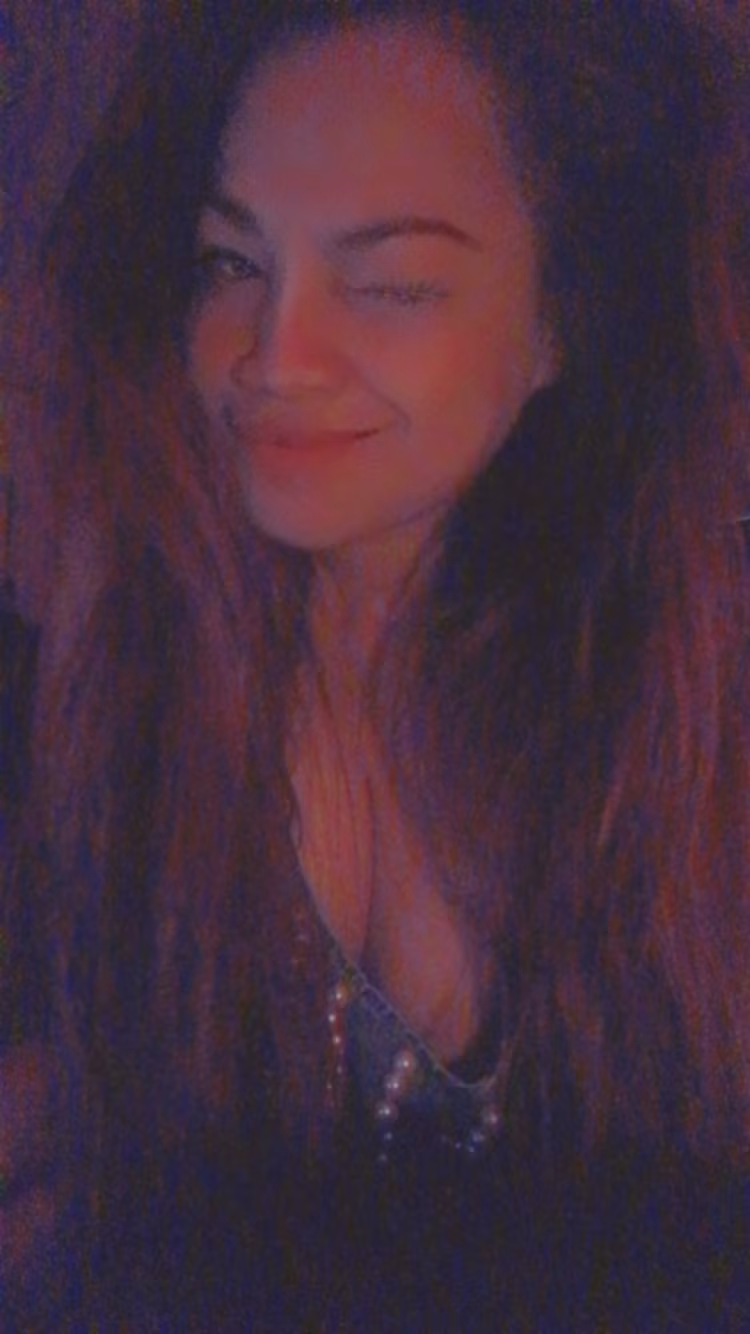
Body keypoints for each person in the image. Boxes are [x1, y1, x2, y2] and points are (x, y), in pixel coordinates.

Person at [3, 1, 750, 1328]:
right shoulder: (120, 663)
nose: (274, 357)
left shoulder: (686, 712)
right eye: (231, 262)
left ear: (559, 324)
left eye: (390, 281)